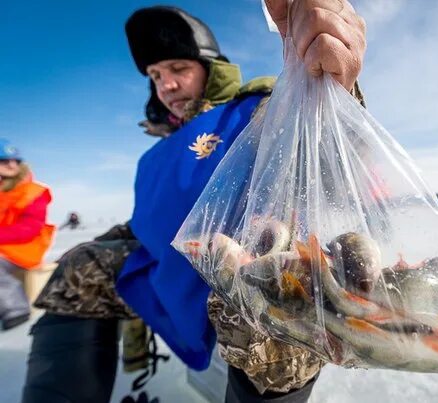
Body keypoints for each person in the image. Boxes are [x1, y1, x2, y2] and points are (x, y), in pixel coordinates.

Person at [23, 2, 366, 403]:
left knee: (273, 303)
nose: (165, 85)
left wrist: (325, 84)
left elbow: (323, 157)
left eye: (178, 69)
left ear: (209, 68)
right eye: (155, 75)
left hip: (239, 274)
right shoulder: (156, 155)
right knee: (82, 265)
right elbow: (146, 224)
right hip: (170, 273)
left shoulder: (256, 111)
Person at [0, 139, 55, 331]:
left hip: (26, 246)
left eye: (15, 160)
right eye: (4, 161)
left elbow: (30, 228)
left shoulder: (33, 191)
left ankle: (15, 310)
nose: (11, 164)